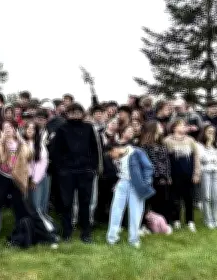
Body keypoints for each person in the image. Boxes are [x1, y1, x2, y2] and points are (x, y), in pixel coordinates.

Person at [49, 103, 102, 243]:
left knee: (85, 203)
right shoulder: (62, 129)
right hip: (67, 173)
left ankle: (86, 233)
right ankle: (66, 232)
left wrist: (92, 168)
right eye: (72, 112)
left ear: (82, 113)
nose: (75, 114)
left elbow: (95, 150)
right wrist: (61, 170)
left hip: (85, 172)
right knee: (66, 204)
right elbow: (55, 152)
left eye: (78, 112)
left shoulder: (89, 128)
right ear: (67, 114)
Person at [105, 143, 154, 248]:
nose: (111, 156)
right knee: (115, 210)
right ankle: (112, 238)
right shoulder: (117, 158)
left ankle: (134, 239)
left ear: (115, 149)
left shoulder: (137, 152)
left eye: (111, 154)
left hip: (136, 184)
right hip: (122, 183)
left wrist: (145, 183)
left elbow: (148, 167)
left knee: (135, 211)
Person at [164, 120, 201, 232]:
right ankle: (176, 220)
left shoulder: (190, 140)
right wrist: (167, 176)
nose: (184, 127)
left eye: (185, 125)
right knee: (175, 198)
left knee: (188, 198)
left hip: (188, 173)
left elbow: (196, 157)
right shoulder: (167, 141)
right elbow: (165, 160)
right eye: (181, 125)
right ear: (174, 127)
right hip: (174, 174)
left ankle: (190, 221)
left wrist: (196, 173)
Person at [198, 125, 217, 229]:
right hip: (205, 172)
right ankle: (208, 219)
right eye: (209, 132)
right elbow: (202, 158)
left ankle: (215, 219)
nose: (211, 134)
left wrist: (212, 160)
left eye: (213, 132)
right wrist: (208, 146)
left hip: (216, 172)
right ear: (204, 132)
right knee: (206, 197)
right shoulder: (199, 145)